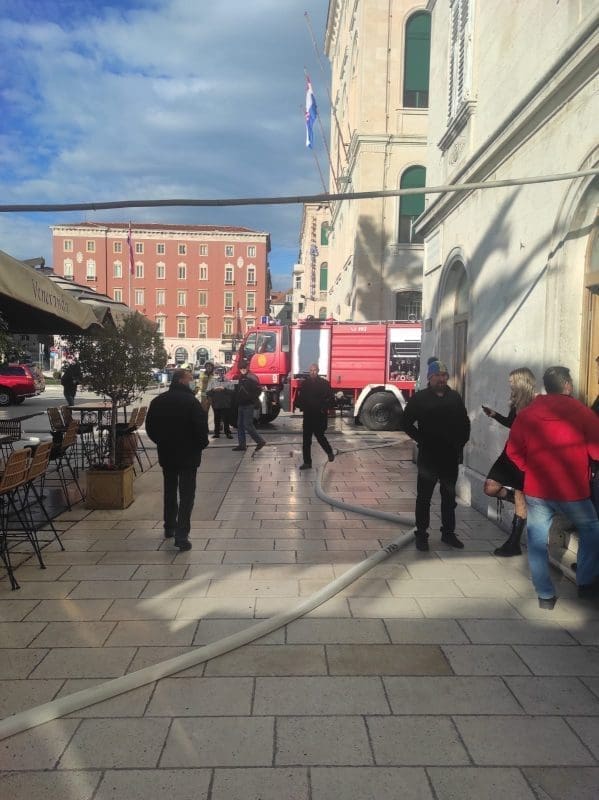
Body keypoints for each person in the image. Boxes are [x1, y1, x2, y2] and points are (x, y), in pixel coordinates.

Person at [506, 365, 599, 609]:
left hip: (537, 490)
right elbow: (597, 452)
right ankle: (586, 582)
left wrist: (530, 468)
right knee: (592, 529)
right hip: (573, 490)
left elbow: (513, 451)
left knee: (536, 540)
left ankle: (545, 595)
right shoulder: (583, 413)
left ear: (547, 387)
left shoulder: (527, 414)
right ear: (567, 385)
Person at [402, 360, 471, 551]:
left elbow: (465, 423)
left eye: (444, 375)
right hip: (429, 457)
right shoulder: (420, 398)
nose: (441, 379)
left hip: (449, 456)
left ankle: (448, 533)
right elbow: (405, 423)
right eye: (437, 376)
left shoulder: (454, 397)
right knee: (424, 497)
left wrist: (460, 444)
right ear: (429, 378)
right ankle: (421, 534)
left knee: (449, 497)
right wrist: (421, 440)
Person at [145, 368, 209, 551]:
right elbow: (201, 428)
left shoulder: (158, 401)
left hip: (167, 452)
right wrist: (200, 445)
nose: (192, 381)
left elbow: (150, 427)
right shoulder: (191, 402)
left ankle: (169, 526)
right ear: (181, 380)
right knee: (187, 494)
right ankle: (182, 535)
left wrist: (161, 442)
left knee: (170, 490)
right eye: (189, 378)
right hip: (188, 454)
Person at [482, 367, 536, 557]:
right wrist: (495, 415)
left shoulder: (535, 404)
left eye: (512, 381)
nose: (510, 384)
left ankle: (514, 543)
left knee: (521, 495)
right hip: (509, 453)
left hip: (525, 455)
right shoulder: (516, 404)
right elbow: (513, 424)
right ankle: (518, 501)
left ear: (521, 382)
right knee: (490, 487)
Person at [295, 363, 335, 470]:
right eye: (311, 370)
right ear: (309, 371)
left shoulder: (324, 383)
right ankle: (307, 462)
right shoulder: (305, 383)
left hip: (319, 415)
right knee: (306, 440)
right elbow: (301, 397)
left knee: (320, 436)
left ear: (318, 371)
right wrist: (301, 406)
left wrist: (324, 408)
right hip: (308, 415)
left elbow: (330, 398)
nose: (313, 372)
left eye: (315, 370)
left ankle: (329, 452)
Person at [232, 360, 266, 452]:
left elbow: (258, 390)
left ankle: (260, 441)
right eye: (241, 368)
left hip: (248, 404)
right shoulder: (241, 377)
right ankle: (242, 445)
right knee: (240, 425)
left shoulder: (252, 377)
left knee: (248, 425)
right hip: (241, 404)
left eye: (244, 368)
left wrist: (250, 398)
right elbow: (238, 390)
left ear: (247, 367)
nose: (242, 370)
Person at [207, 367, 234, 439]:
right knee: (216, 419)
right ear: (216, 372)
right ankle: (216, 433)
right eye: (218, 371)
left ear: (224, 372)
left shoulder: (228, 381)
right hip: (216, 403)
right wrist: (213, 390)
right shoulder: (212, 381)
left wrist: (224, 389)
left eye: (222, 371)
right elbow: (208, 392)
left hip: (226, 404)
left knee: (226, 419)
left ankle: (227, 433)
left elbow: (232, 392)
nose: (220, 373)